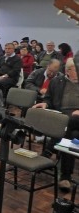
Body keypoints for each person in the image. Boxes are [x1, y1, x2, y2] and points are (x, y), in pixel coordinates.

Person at [33, 58, 79, 192]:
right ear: (68, 70)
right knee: (71, 134)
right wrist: (45, 104)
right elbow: (48, 98)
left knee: (66, 124)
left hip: (74, 120)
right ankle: (65, 176)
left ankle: (48, 151)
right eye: (74, 69)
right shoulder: (56, 82)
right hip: (63, 119)